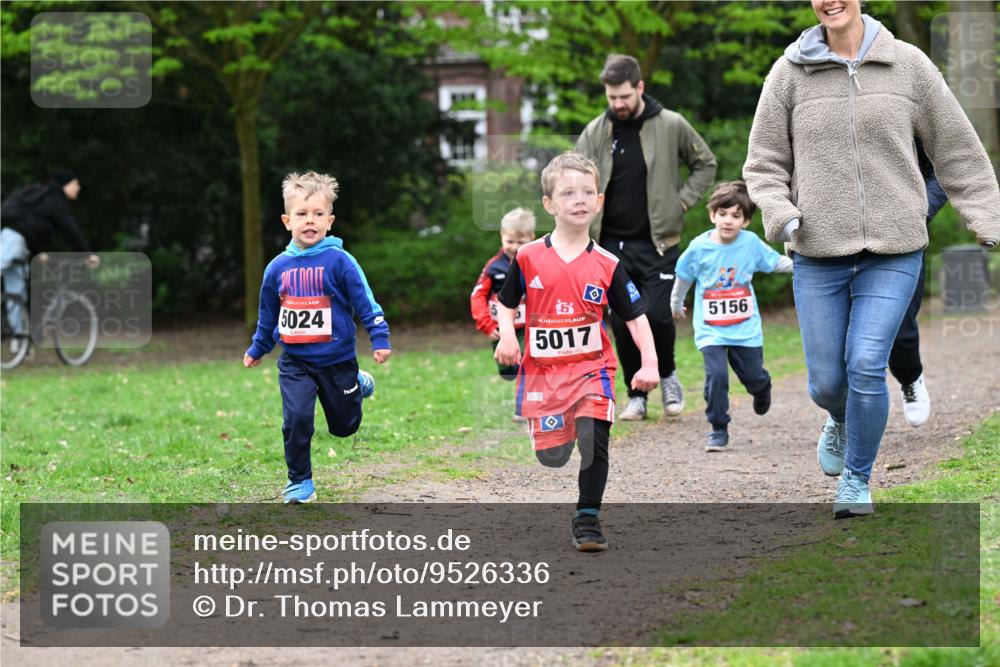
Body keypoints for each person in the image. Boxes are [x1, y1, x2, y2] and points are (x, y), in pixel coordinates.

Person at [744, 0, 1000, 518]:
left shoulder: (908, 64)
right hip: (818, 251)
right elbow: (763, 162)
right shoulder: (789, 72)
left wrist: (988, 218)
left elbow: (957, 149)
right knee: (827, 383)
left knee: (865, 365)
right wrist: (782, 215)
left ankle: (857, 480)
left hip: (895, 248)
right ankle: (839, 418)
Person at [494, 152, 659, 552]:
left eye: (587, 192)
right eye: (568, 193)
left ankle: (588, 519)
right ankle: (555, 436)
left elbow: (635, 317)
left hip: (592, 370)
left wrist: (650, 363)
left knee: (593, 438)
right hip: (544, 374)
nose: (579, 199)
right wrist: (507, 337)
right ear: (549, 204)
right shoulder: (529, 256)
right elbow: (506, 302)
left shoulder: (607, 264)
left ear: (599, 201)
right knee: (552, 457)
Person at [575, 54, 717, 422]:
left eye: (624, 96)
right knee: (623, 322)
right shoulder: (595, 132)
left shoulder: (670, 124)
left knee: (656, 314)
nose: (618, 104)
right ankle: (636, 394)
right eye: (612, 97)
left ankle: (667, 375)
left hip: (659, 242)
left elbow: (705, 164)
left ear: (640, 87)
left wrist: (680, 202)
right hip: (610, 245)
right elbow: (574, 176)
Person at [243, 171, 391, 504]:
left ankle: (357, 382)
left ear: (329, 221)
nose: (310, 220)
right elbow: (268, 314)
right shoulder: (276, 268)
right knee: (296, 418)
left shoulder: (341, 261)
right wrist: (259, 347)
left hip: (337, 360)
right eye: (302, 213)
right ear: (287, 221)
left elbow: (365, 302)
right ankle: (300, 481)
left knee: (344, 426)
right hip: (295, 361)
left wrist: (379, 337)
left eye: (318, 213)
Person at [670, 181, 792, 451]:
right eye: (722, 214)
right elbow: (683, 277)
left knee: (753, 377)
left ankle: (762, 388)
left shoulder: (750, 243)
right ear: (712, 215)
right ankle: (718, 428)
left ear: (746, 221)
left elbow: (775, 262)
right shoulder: (699, 247)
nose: (728, 220)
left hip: (745, 330)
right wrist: (676, 304)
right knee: (717, 377)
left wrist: (804, 265)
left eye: (736, 216)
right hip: (711, 329)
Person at [888, 140, 948, 427]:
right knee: (842, 333)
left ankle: (910, 377)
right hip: (839, 241)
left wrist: (919, 213)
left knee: (899, 328)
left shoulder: (913, 118)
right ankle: (844, 410)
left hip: (902, 240)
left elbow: (942, 171)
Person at [1, 171, 99, 337]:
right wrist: (87, 254)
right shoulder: (55, 202)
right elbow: (71, 231)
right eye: (75, 184)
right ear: (65, 185)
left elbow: (34, 228)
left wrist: (39, 253)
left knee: (16, 294)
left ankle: (20, 341)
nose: (78, 188)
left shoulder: (44, 199)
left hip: (18, 244)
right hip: (14, 241)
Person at [469, 207, 535, 421]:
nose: (514, 247)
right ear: (501, 236)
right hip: (499, 330)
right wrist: (486, 324)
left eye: (520, 242)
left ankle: (522, 408)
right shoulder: (493, 267)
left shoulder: (535, 263)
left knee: (527, 366)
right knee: (509, 372)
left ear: (531, 238)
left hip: (527, 329)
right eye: (510, 241)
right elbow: (477, 296)